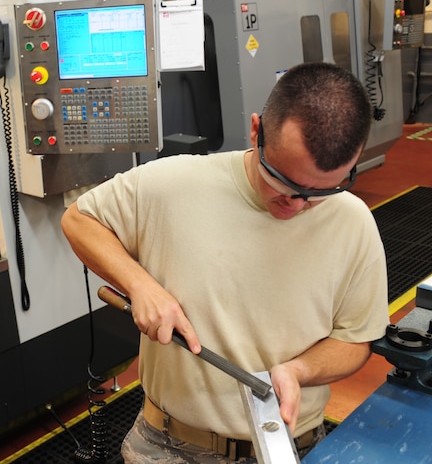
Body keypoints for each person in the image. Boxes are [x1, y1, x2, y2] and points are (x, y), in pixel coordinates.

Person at [61, 62, 389, 463]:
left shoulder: (352, 222)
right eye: (283, 182)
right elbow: (79, 220)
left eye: (321, 190)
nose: (298, 204)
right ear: (256, 131)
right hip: (167, 446)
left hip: (292, 447)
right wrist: (140, 284)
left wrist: (299, 370)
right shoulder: (172, 185)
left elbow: (355, 340)